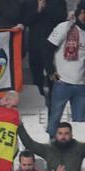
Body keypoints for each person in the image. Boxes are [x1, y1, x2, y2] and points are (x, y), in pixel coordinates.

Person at [46, 6, 85, 136]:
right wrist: (51, 71)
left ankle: (78, 152)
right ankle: (51, 148)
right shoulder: (65, 27)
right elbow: (48, 48)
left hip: (81, 85)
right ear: (81, 12)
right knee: (55, 118)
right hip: (62, 82)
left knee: (80, 122)